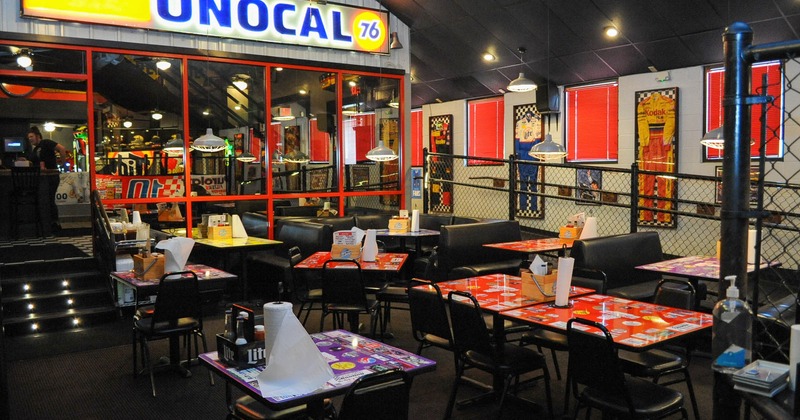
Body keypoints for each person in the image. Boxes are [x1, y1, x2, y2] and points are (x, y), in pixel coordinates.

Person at [24, 126, 67, 231]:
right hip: (42, 177)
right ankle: (48, 223)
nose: (30, 139)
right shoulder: (35, 150)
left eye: (31, 136)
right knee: (46, 199)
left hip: (51, 175)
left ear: (38, 136)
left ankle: (54, 223)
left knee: (50, 198)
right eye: (28, 137)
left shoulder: (46, 143)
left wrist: (62, 161)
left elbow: (62, 148)